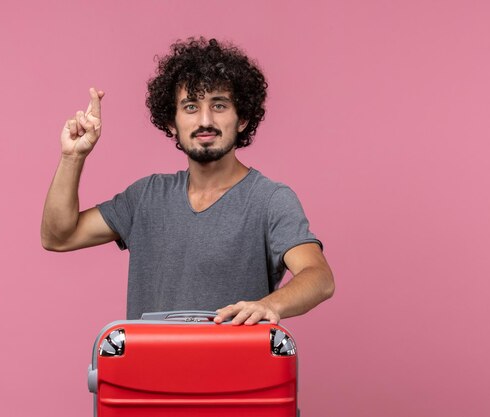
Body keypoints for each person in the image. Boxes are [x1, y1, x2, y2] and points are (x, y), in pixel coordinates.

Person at [41, 37, 334, 324]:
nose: (205, 120)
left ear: (242, 118)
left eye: (219, 106)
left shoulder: (269, 200)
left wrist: (269, 305)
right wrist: (72, 157)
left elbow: (318, 277)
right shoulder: (146, 197)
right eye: (191, 107)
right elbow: (59, 236)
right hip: (147, 372)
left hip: (238, 371)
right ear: (172, 122)